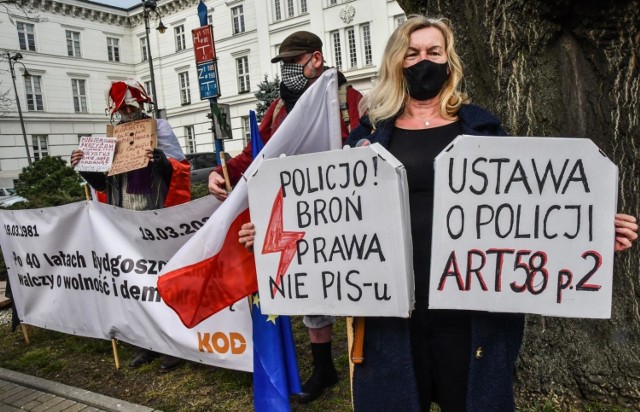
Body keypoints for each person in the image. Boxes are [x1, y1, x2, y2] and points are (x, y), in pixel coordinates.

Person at [340, 15, 639, 411]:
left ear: (449, 62)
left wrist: (593, 230)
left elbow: (527, 213)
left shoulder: (483, 131)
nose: (422, 62)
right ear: (396, 61)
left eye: (433, 52)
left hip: (468, 312)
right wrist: (276, 233)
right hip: (393, 315)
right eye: (411, 53)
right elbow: (337, 213)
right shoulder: (368, 135)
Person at [209, 31, 363, 403]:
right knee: (309, 286)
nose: (290, 71)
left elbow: (365, 142)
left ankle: (364, 359)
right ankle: (324, 366)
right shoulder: (278, 108)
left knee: (353, 281)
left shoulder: (349, 99)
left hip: (342, 208)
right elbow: (255, 151)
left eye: (296, 62)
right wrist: (223, 170)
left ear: (317, 59)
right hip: (293, 208)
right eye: (285, 64)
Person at [70, 80, 191, 373]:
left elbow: (179, 171)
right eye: (120, 107)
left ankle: (174, 343)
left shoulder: (159, 129)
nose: (125, 110)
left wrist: (160, 159)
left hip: (156, 217)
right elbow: (105, 184)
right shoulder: (111, 139)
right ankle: (146, 343)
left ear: (141, 103)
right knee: (136, 286)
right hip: (125, 220)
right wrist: (84, 165)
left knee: (163, 283)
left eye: (129, 104)